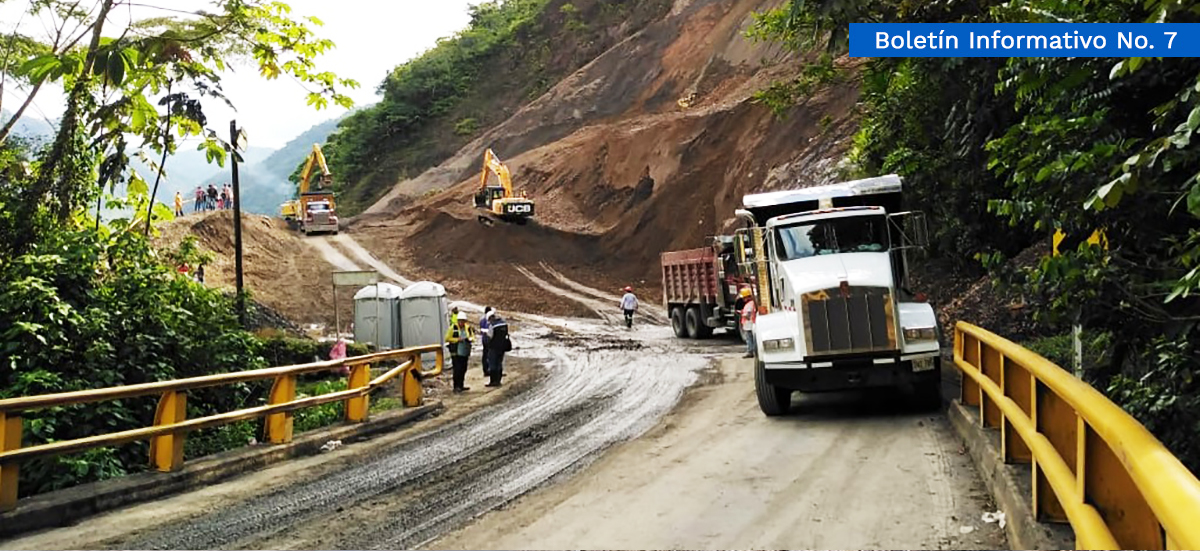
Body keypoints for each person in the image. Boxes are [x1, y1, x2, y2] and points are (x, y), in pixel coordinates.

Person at [444, 316, 474, 393]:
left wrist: (470, 339)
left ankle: (461, 385)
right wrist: (457, 340)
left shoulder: (468, 328)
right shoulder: (453, 328)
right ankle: (456, 386)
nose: (461, 323)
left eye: (463, 321)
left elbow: (472, 336)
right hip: (456, 352)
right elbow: (447, 338)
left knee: (463, 368)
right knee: (457, 369)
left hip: (464, 351)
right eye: (460, 321)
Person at [484, 310, 511, 387]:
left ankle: (493, 381)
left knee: (493, 364)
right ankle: (498, 380)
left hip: (494, 347)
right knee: (499, 363)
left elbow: (489, 336)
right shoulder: (503, 323)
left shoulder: (492, 325)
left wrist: (487, 343)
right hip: (502, 347)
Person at [740, 287, 757, 358]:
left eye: (744, 298)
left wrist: (743, 314)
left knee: (749, 338)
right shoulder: (752, 303)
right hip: (750, 324)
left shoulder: (750, 304)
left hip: (749, 324)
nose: (743, 299)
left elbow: (748, 315)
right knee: (751, 338)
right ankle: (753, 351)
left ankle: (750, 351)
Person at [479, 306, 493, 376]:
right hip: (489, 339)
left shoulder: (482, 320)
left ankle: (485, 369)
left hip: (484, 339)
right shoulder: (489, 320)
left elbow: (481, 329)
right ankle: (489, 369)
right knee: (489, 355)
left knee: (485, 354)